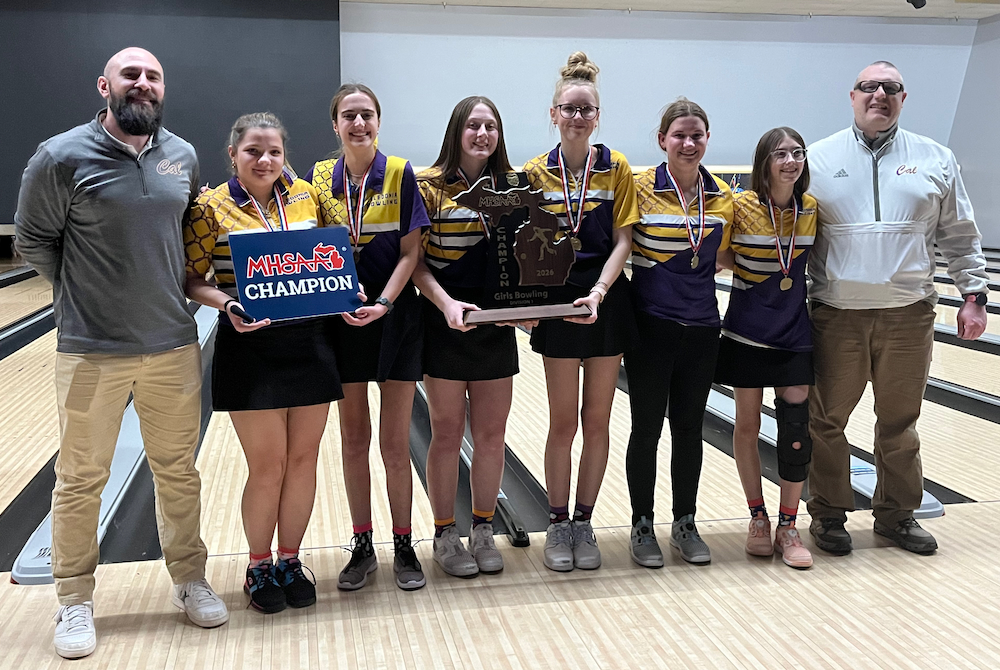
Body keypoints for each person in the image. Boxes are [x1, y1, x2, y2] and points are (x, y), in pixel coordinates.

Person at [14, 47, 228, 659]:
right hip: (90, 350)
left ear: (164, 89)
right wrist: (81, 295)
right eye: (130, 75)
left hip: (171, 344)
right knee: (81, 479)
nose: (142, 84)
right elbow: (33, 241)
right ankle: (74, 600)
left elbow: (187, 239)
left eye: (153, 76)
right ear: (105, 85)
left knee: (177, 473)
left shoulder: (181, 156)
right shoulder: (60, 157)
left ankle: (189, 580)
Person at [806, 60, 989, 555]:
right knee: (826, 422)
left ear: (903, 99)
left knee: (900, 422)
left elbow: (958, 233)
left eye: (891, 88)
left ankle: (896, 515)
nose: (879, 95)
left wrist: (973, 295)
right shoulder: (817, 158)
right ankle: (827, 515)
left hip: (909, 313)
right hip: (837, 313)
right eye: (870, 87)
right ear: (852, 96)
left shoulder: (935, 157)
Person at [184, 112, 337, 613]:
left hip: (309, 342)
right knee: (268, 466)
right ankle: (257, 566)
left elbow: (331, 258)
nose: (264, 159)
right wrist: (227, 304)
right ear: (233, 154)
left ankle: (290, 561)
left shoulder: (305, 197)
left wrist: (345, 288)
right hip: (250, 347)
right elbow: (192, 278)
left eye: (273, 151)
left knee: (302, 461)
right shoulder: (211, 207)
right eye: (253, 150)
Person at [306, 84, 430, 590]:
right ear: (335, 125)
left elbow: (410, 252)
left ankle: (403, 541)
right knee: (353, 440)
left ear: (379, 120)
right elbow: (310, 244)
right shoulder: (317, 177)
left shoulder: (400, 174)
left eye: (367, 115)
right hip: (342, 320)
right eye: (349, 116)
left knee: (395, 443)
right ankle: (362, 543)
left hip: (394, 318)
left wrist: (383, 303)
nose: (359, 124)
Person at [523, 52, 640, 572]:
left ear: (598, 115)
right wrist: (528, 304)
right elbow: (522, 245)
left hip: (604, 300)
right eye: (568, 109)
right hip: (555, 304)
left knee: (598, 421)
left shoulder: (616, 168)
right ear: (553, 114)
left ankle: (584, 521)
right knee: (562, 423)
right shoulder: (532, 173)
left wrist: (597, 291)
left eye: (586, 110)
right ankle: (556, 522)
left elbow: (623, 241)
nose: (577, 117)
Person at [413, 96, 528, 577]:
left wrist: (521, 308)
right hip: (445, 321)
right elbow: (415, 264)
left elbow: (524, 258)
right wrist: (447, 305)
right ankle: (444, 531)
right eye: (474, 125)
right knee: (444, 434)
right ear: (457, 130)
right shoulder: (428, 187)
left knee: (491, 435)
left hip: (494, 328)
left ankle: (482, 527)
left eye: (491, 126)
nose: (483, 134)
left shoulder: (514, 187)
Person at [625, 98, 734, 568]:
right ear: (662, 139)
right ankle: (642, 523)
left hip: (703, 328)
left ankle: (685, 522)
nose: (689, 144)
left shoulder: (723, 196)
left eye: (698, 136)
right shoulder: (638, 187)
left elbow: (726, 257)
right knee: (646, 429)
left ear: (707, 139)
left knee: (689, 430)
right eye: (680, 136)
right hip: (650, 327)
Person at [715, 127, 818, 569]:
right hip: (746, 332)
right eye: (781, 154)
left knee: (796, 428)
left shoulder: (811, 209)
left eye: (797, 153)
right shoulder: (739, 207)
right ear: (764, 162)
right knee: (747, 424)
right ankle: (757, 517)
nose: (791, 161)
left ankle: (788, 524)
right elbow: (719, 256)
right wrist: (756, 275)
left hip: (795, 333)